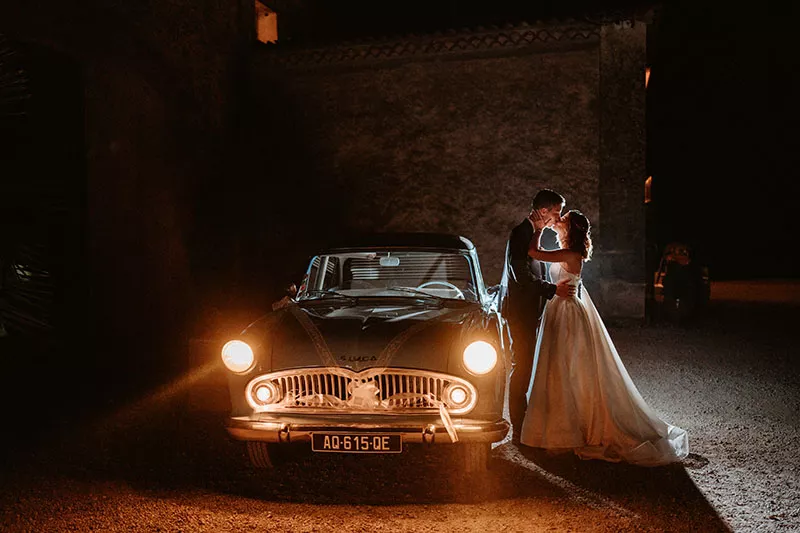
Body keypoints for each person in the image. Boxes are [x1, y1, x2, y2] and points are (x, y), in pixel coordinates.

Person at [520, 209, 689, 466]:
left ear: (570, 229)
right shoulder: (568, 252)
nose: (559, 220)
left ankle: (567, 432)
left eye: (564, 219)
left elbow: (534, 252)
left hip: (566, 313)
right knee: (558, 368)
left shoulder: (571, 254)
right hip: (559, 307)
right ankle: (559, 430)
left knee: (565, 368)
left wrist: (538, 228)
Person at [499, 189, 575, 444]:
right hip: (521, 312)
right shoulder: (521, 233)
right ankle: (519, 428)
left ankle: (529, 423)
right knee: (522, 367)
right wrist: (553, 290)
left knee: (529, 365)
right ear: (543, 211)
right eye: (556, 212)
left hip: (532, 310)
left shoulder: (534, 233)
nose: (558, 217)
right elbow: (521, 275)